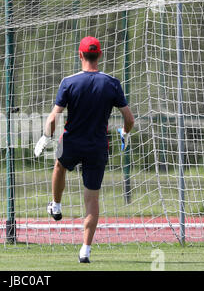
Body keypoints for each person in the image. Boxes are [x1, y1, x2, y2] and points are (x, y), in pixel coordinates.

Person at [34, 36, 135, 263]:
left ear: (80, 55)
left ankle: (56, 205)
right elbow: (129, 118)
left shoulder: (69, 82)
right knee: (92, 199)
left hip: (72, 142)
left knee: (59, 165)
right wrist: (125, 134)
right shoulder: (112, 83)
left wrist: (46, 138)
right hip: (97, 146)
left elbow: (53, 119)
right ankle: (85, 250)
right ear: (99, 55)